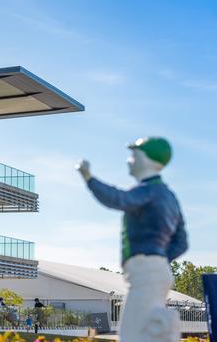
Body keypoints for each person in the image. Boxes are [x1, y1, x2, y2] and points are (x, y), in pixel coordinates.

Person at [77, 136, 188, 342]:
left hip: (146, 271)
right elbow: (182, 242)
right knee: (147, 328)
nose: (129, 160)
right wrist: (160, 258)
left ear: (145, 159)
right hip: (156, 270)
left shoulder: (148, 191)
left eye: (133, 155)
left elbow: (119, 199)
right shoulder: (169, 196)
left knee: (132, 333)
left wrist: (88, 178)